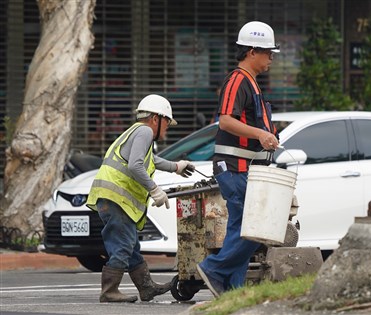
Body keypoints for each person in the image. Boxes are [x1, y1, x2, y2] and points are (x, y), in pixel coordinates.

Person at [196, 21, 280, 297]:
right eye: (268, 53)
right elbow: (225, 121)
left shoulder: (251, 83)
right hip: (234, 167)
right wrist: (260, 133)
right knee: (254, 229)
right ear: (252, 51)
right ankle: (214, 269)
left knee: (240, 228)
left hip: (245, 168)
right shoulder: (238, 80)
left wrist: (266, 137)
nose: (271, 59)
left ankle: (234, 289)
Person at [86, 94, 195, 303]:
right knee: (124, 243)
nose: (167, 128)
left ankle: (146, 288)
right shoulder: (145, 131)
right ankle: (109, 291)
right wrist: (155, 190)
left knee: (131, 245)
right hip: (115, 198)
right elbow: (135, 165)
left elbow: (150, 159)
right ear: (156, 118)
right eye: (167, 123)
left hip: (111, 198)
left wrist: (176, 167)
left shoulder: (135, 131)